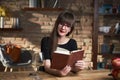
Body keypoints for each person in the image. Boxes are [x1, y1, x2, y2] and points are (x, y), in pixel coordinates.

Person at [40, 10, 85, 77]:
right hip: (48, 76)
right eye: (61, 24)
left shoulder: (72, 43)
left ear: (70, 29)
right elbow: (47, 66)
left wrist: (79, 67)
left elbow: (73, 69)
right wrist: (59, 73)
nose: (63, 28)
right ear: (57, 24)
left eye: (67, 26)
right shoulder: (46, 41)